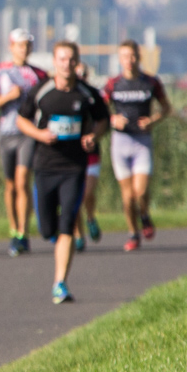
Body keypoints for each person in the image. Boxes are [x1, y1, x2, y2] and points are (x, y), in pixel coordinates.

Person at [14, 41, 109, 304]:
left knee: (67, 223)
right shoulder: (41, 90)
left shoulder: (87, 93)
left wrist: (93, 136)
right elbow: (22, 119)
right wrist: (40, 135)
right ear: (55, 62)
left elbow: (104, 119)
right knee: (47, 229)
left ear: (77, 62)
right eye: (62, 59)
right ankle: (57, 243)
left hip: (74, 168)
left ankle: (60, 283)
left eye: (71, 59)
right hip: (45, 166)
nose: (67, 64)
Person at [101, 40, 171, 252]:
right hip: (120, 142)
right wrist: (112, 119)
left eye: (132, 56)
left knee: (140, 192)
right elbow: (101, 112)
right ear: (119, 59)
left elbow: (166, 108)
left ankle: (145, 214)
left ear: (138, 57)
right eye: (124, 57)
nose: (129, 61)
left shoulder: (151, 82)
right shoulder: (113, 84)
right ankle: (133, 233)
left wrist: (153, 120)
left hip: (142, 141)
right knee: (128, 195)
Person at [0, 29, 48, 256]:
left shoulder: (39, 74)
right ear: (11, 47)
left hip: (28, 133)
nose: (24, 49)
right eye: (20, 45)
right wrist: (7, 98)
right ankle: (13, 230)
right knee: (10, 185)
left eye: (27, 45)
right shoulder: (0, 72)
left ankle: (23, 232)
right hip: (6, 132)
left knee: (23, 182)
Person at [74, 59, 104, 249]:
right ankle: (78, 234)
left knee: (87, 193)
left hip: (91, 151)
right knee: (74, 196)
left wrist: (94, 135)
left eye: (84, 74)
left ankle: (91, 217)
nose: (80, 78)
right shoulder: (64, 96)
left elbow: (104, 120)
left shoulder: (93, 96)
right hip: (71, 153)